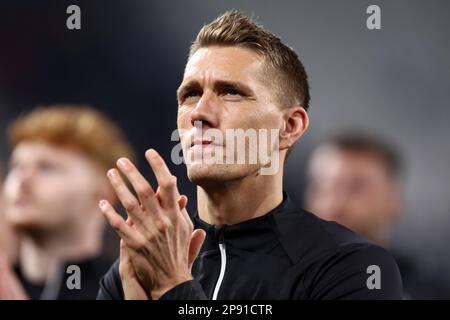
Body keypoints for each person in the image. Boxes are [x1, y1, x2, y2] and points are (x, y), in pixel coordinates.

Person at [97, 11, 403, 300]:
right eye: (190, 94)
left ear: (289, 126)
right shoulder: (137, 268)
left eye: (230, 92)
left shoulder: (350, 266)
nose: (200, 113)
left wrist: (172, 287)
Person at [1, 105, 135, 299]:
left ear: (101, 195)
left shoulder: (129, 290)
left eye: (46, 167)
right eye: (16, 166)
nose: (22, 180)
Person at [305, 131, 449, 299]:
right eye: (324, 186)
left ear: (393, 201)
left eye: (356, 187)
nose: (336, 202)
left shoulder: (429, 287)